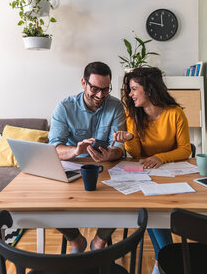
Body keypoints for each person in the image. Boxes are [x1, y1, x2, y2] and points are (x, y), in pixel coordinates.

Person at [113, 67, 191, 274]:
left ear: (149, 90)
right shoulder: (133, 115)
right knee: (148, 205)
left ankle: (160, 260)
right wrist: (130, 139)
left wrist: (160, 158)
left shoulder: (175, 113)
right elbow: (136, 155)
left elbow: (185, 149)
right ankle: (164, 259)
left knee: (152, 208)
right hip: (145, 175)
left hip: (173, 174)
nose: (130, 94)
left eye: (134, 89)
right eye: (130, 89)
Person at [48, 61, 126, 253]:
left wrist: (111, 153)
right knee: (48, 204)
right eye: (95, 89)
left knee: (125, 201)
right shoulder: (65, 107)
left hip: (106, 169)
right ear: (83, 83)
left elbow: (120, 148)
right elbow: (54, 148)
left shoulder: (116, 106)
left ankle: (99, 242)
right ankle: (76, 240)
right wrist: (75, 151)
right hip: (72, 168)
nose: (100, 95)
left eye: (105, 90)